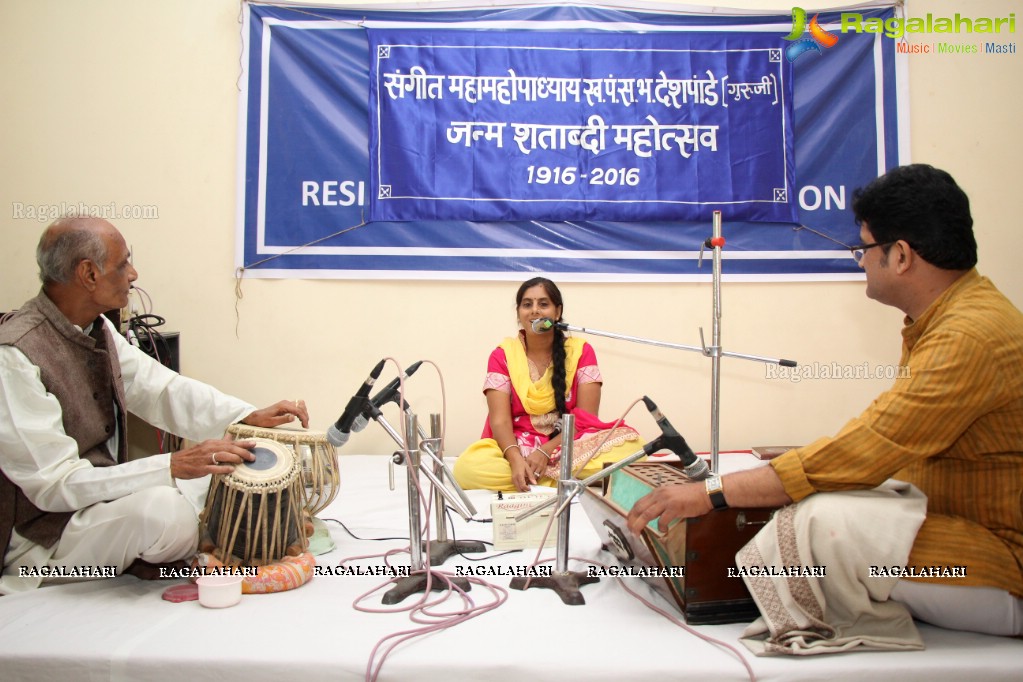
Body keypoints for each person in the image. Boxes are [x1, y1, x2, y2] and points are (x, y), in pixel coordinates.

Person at [626, 164, 1023, 636]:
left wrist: (710, 493)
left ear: (900, 255)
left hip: (996, 567)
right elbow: (876, 442)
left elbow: (868, 448)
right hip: (953, 530)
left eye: (863, 247)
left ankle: (795, 620)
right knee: (816, 488)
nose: (859, 261)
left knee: (822, 520)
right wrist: (790, 468)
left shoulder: (968, 335)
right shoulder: (952, 317)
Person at [0, 216, 310, 595]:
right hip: (46, 539)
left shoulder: (98, 329)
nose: (133, 274)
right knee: (166, 512)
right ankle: (90, 568)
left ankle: (136, 556)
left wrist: (244, 418)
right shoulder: (14, 355)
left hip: (98, 509)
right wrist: (173, 465)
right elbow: (55, 486)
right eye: (122, 263)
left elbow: (161, 388)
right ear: (88, 274)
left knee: (215, 480)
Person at [453, 277, 643, 492]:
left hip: (567, 446)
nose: (535, 311)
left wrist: (545, 452)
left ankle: (536, 477)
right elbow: (500, 421)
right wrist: (515, 459)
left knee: (633, 450)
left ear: (557, 312)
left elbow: (586, 419)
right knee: (467, 467)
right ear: (518, 313)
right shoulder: (502, 355)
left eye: (543, 304)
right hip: (517, 447)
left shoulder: (581, 352)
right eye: (527, 304)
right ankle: (551, 477)